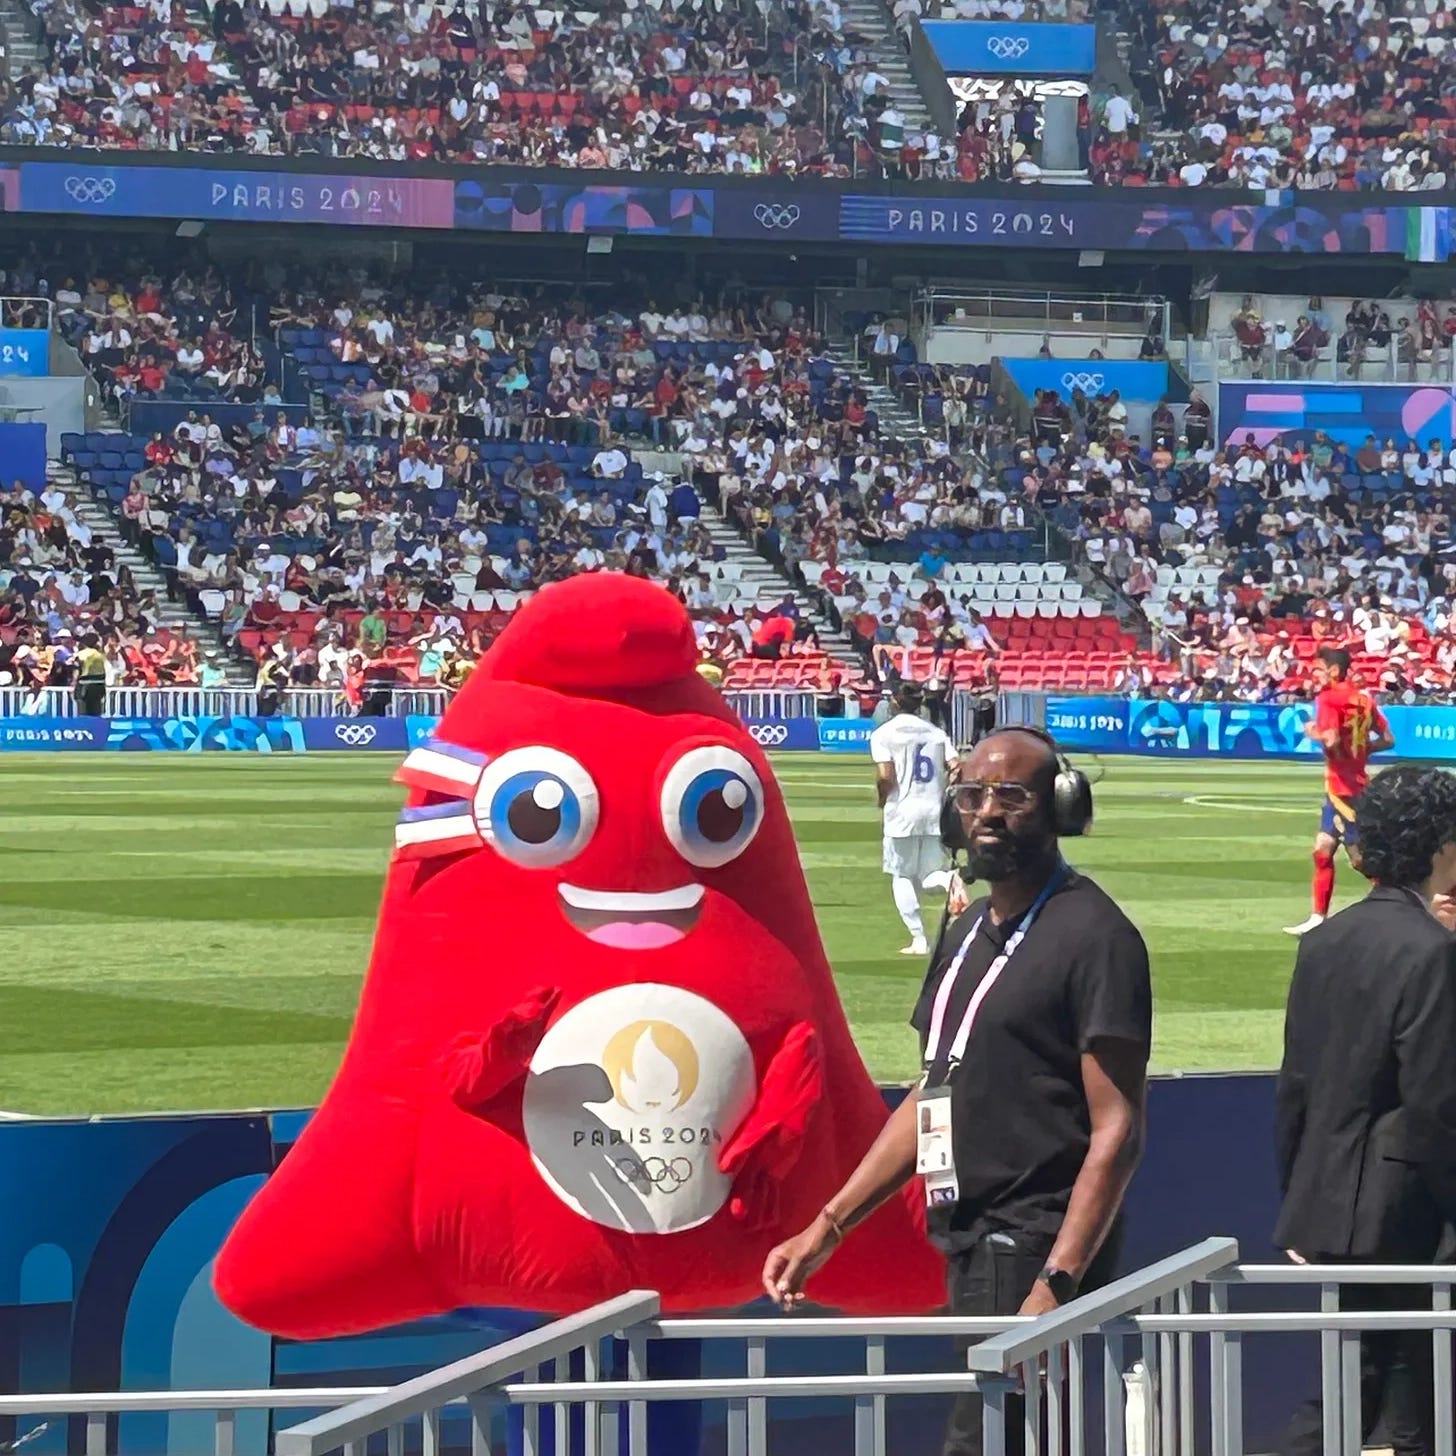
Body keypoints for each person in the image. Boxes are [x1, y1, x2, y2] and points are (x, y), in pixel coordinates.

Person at [762, 728, 1151, 1456]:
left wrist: (1056, 1285)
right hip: (968, 1232)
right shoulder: (968, 928)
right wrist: (829, 1226)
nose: (988, 813)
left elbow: (1117, 1129)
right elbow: (932, 1091)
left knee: (988, 1443)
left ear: (1060, 807)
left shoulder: (1097, 936)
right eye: (972, 795)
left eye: (1013, 795)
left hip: (1033, 1239)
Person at [1274, 765, 1456, 1456]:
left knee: (1352, 1381)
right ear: (1439, 844)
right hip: (1408, 1212)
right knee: (1415, 1392)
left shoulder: (1325, 941)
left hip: (1329, 1199)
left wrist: (1295, 1188)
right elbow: (1438, 1102)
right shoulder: (1431, 950)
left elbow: (1295, 1080)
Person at [1285, 648, 1394, 936]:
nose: (1314, 674)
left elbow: (1331, 740)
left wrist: (1314, 733)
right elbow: (1388, 739)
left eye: (1319, 669)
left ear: (1334, 671)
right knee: (1322, 850)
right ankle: (1318, 917)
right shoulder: (1363, 699)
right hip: (1347, 785)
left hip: (1345, 792)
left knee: (1361, 860)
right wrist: (1361, 749)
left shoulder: (1329, 698)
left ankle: (1401, 904)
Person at [869, 682, 958, 956]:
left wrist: (883, 800)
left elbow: (886, 775)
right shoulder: (936, 732)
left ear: (895, 702)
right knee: (931, 876)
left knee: (901, 875)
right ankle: (951, 881)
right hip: (934, 808)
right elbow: (957, 766)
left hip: (902, 811)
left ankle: (919, 938)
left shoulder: (884, 733)